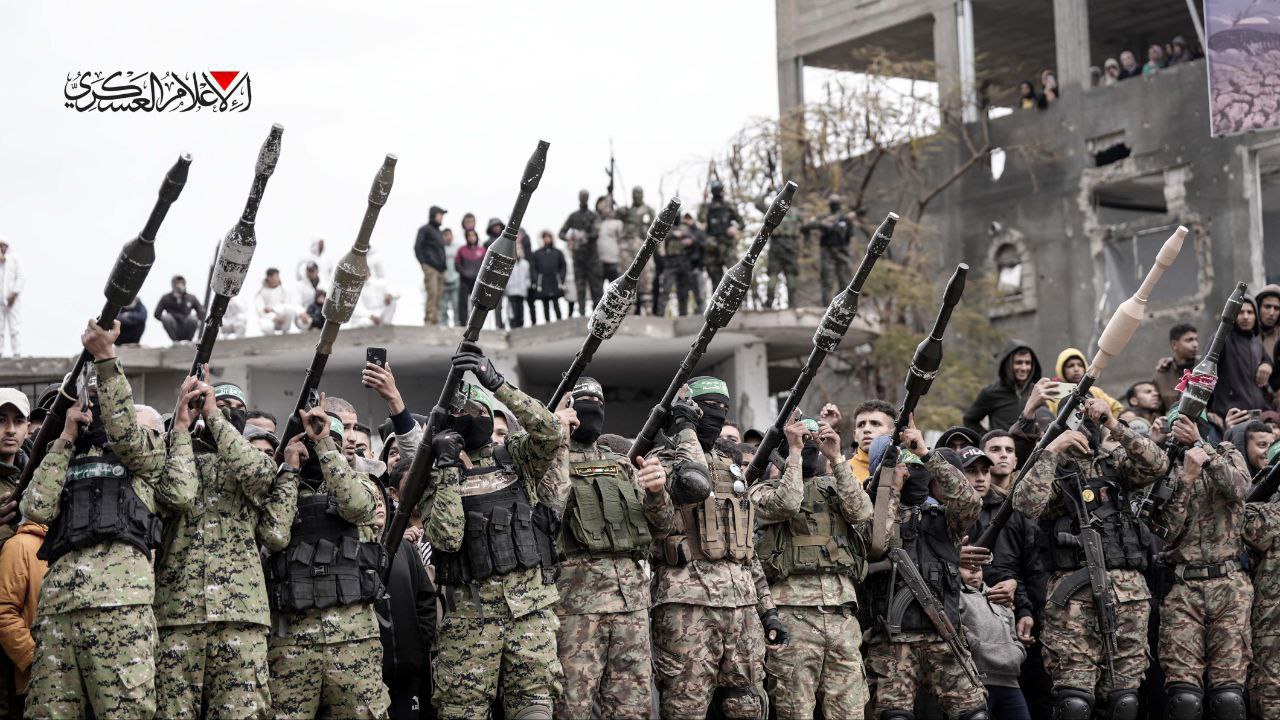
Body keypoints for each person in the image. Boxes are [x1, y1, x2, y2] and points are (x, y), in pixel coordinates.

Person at [22, 320, 184, 719]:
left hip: (121, 607)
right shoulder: (67, 456)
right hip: (59, 609)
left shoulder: (144, 455)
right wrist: (65, 438)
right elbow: (37, 507)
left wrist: (107, 359)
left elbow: (127, 434)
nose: (97, 410)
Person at [419, 341, 566, 719]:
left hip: (529, 616)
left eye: (480, 410)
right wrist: (447, 469)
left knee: (534, 710)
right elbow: (447, 538)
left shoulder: (514, 455)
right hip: (470, 624)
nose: (473, 416)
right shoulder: (435, 476)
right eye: (463, 412)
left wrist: (496, 383)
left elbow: (551, 432)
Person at [1010, 397, 1167, 719]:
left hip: (1128, 597)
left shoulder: (1116, 463)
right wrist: (1053, 450)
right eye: (1079, 417)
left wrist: (1113, 424)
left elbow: (1157, 464)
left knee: (1124, 701)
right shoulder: (1053, 468)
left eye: (1091, 417)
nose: (1086, 425)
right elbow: (1026, 504)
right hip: (1073, 599)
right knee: (1075, 702)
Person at [645, 376, 786, 719]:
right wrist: (656, 490)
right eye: (709, 406)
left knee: (746, 706)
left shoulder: (730, 466)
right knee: (686, 706)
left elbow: (745, 549)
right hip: (688, 608)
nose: (718, 414)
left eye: (724, 408)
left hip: (742, 608)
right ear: (689, 411)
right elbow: (664, 520)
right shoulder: (662, 461)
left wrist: (768, 610)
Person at [151, 377, 276, 718]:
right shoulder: (174, 456)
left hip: (241, 615)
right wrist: (182, 425)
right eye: (221, 405)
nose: (229, 412)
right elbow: (176, 493)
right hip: (177, 614)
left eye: (238, 409)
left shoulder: (256, 461)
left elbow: (258, 474)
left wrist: (215, 416)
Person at [260, 400, 390, 718]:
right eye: (313, 439)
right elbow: (274, 535)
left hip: (354, 639)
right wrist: (290, 470)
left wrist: (325, 447)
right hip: (293, 642)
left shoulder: (361, 484)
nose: (319, 444)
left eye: (330, 438)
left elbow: (357, 507)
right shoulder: (283, 489)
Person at [553, 378, 668, 719]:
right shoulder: (547, 460)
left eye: (598, 402)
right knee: (571, 706)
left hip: (631, 604)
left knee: (633, 707)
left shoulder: (621, 464)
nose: (592, 408)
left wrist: (657, 493)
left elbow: (661, 526)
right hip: (576, 607)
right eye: (583, 401)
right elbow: (546, 508)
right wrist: (555, 438)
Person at [864, 427, 989, 720]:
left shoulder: (944, 519)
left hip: (943, 636)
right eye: (905, 466)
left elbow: (971, 503)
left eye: (917, 467)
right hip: (893, 644)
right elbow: (876, 540)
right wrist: (890, 489)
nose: (912, 473)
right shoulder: (872, 514)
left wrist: (926, 454)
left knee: (975, 715)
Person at [753, 415, 872, 719]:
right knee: (795, 711)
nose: (807, 446)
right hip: (793, 615)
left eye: (810, 441)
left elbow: (862, 512)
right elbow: (787, 504)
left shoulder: (834, 486)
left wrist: (837, 458)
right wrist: (794, 453)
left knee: (849, 712)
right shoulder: (760, 490)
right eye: (800, 439)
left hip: (841, 614)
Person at [1142, 411, 1251, 719]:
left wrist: (1203, 448)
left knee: (1228, 697)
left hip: (1229, 586)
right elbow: (1164, 529)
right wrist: (1186, 480)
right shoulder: (1164, 466)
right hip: (1183, 588)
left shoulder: (1226, 452)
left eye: (1188, 424)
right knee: (1184, 699)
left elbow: (1240, 489)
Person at [375, 463, 436, 720]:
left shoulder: (406, 548)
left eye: (380, 500)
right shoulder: (354, 551)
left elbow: (425, 599)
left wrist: (419, 644)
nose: (378, 505)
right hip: (372, 672)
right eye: (371, 500)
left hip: (409, 670)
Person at [958, 562, 1030, 720]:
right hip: (975, 681)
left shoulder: (999, 596)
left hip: (1010, 680)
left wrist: (1017, 652)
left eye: (978, 567)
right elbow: (954, 630)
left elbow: (1013, 636)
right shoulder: (956, 597)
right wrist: (976, 647)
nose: (974, 571)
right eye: (966, 567)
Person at [0, 514, 46, 717]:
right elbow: (4, 612)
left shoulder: (77, 545)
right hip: (35, 683)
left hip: (80, 679)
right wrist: (34, 659)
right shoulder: (19, 546)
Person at [965, 340, 1044, 433]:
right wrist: (988, 438)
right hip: (1002, 442)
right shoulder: (990, 393)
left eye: (1027, 363)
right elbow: (970, 421)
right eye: (1018, 362)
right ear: (1008, 364)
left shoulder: (1037, 392)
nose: (1024, 368)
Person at [1212, 296, 1270, 415]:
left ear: (1256, 316)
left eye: (1250, 312)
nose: (1245, 316)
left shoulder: (1256, 343)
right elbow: (1203, 374)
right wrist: (1208, 411)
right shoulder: (1220, 339)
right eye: (1240, 312)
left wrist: (1267, 365)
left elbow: (1268, 363)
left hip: (1256, 416)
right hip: (1230, 416)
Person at [800, 194, 854, 306]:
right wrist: (822, 224)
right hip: (827, 251)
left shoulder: (845, 218)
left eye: (836, 203)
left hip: (842, 250)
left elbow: (849, 235)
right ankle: (826, 308)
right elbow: (806, 227)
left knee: (845, 281)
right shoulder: (823, 217)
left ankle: (842, 306)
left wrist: (844, 224)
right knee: (827, 280)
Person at [1048, 347, 1124, 417]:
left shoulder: (1095, 391)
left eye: (1080, 365)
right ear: (1061, 370)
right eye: (1070, 365)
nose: (1076, 369)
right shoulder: (1054, 393)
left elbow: (1118, 409)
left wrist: (1107, 425)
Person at [560, 189, 602, 314]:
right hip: (578, 258)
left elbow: (596, 233)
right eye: (582, 196)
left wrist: (584, 236)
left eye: (585, 196)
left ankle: (597, 314)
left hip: (592, 258)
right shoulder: (573, 216)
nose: (583, 198)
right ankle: (582, 313)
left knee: (596, 287)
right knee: (580, 287)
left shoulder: (593, 216)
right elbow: (561, 233)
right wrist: (570, 238)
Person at [697, 180, 744, 291]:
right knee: (716, 281)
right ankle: (718, 302)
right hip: (712, 248)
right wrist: (704, 201)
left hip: (728, 246)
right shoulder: (707, 206)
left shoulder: (728, 205)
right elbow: (700, 221)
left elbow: (741, 223)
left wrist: (735, 229)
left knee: (736, 276)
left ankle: (739, 300)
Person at [620, 186, 657, 314]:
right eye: (634, 193)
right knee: (629, 277)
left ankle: (648, 309)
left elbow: (656, 228)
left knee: (647, 278)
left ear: (642, 195)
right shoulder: (627, 211)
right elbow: (610, 214)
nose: (636, 196)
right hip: (628, 249)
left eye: (638, 193)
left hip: (644, 246)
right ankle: (630, 309)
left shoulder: (649, 211)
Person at [760, 192, 801, 309]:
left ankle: (770, 303)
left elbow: (758, 203)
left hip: (779, 246)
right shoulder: (796, 212)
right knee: (789, 274)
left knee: (775, 274)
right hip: (789, 246)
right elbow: (807, 227)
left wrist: (766, 192)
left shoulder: (773, 210)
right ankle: (792, 304)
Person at [416, 205, 448, 325]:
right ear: (433, 215)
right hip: (431, 268)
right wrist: (424, 264)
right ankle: (429, 320)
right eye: (440, 215)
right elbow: (417, 247)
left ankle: (435, 321)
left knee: (439, 296)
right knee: (432, 293)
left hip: (440, 269)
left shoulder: (439, 232)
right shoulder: (424, 229)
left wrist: (444, 266)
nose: (442, 217)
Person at [1155, 323, 1199, 410]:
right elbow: (1157, 408)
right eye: (1189, 340)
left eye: (1196, 339)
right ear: (1174, 344)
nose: (1195, 345)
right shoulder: (1162, 374)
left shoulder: (1204, 368)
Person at [657, 225, 696, 317]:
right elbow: (661, 239)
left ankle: (683, 316)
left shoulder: (685, 228)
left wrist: (685, 235)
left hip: (684, 264)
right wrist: (672, 234)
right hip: (670, 264)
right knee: (666, 290)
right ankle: (660, 315)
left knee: (683, 292)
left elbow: (695, 238)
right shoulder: (667, 228)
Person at [154, 275, 205, 342]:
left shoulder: (191, 297)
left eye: (182, 283)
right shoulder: (165, 298)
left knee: (192, 319)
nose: (180, 285)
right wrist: (165, 321)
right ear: (173, 284)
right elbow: (157, 314)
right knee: (166, 318)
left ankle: (188, 341)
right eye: (178, 283)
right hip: (173, 325)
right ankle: (175, 342)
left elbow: (201, 312)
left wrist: (196, 320)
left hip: (186, 324)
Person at [530, 230, 566, 324]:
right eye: (545, 237)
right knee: (545, 304)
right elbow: (533, 268)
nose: (547, 239)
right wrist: (537, 279)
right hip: (543, 283)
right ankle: (547, 323)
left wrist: (560, 278)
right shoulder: (537, 253)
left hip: (555, 281)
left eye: (548, 237)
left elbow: (563, 266)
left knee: (556, 303)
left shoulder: (557, 252)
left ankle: (560, 321)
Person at [454, 229, 485, 326]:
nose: (471, 237)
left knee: (476, 303)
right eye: (469, 236)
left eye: (473, 235)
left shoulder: (482, 250)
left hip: (477, 281)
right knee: (463, 302)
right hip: (464, 280)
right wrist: (464, 273)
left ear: (476, 236)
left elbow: (486, 265)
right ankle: (462, 323)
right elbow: (457, 264)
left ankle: (475, 324)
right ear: (466, 237)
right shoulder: (461, 250)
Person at [256, 267, 298, 335]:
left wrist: (274, 310)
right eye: (276, 276)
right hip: (269, 319)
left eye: (278, 276)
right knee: (266, 326)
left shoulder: (284, 291)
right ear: (269, 278)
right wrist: (274, 317)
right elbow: (260, 310)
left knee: (289, 312)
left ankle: (286, 335)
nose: (278, 278)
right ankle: (270, 340)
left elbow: (288, 305)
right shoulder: (260, 293)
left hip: (282, 318)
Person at [0, 238, 22, 357]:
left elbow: (21, 277)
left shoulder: (14, 259)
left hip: (12, 301)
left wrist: (14, 294)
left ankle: (17, 353)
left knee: (14, 327)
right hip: (0, 301)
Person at [596, 197, 623, 282]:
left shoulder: (618, 223)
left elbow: (622, 242)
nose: (606, 209)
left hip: (614, 262)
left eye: (608, 206)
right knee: (598, 289)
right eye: (604, 206)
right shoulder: (596, 222)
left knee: (615, 288)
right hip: (599, 263)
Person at [505, 240, 530, 328]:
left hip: (522, 291)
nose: (518, 250)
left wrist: (527, 285)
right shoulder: (509, 263)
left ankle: (521, 325)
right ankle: (513, 325)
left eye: (519, 248)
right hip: (511, 291)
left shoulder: (525, 263)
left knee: (521, 309)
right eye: (516, 248)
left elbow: (527, 277)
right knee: (513, 310)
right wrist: (507, 287)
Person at [441, 227, 460, 327]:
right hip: (443, 280)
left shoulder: (458, 247)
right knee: (443, 305)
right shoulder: (440, 248)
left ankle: (457, 324)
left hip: (455, 279)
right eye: (445, 235)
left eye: (449, 235)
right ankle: (444, 324)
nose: (448, 237)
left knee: (456, 304)